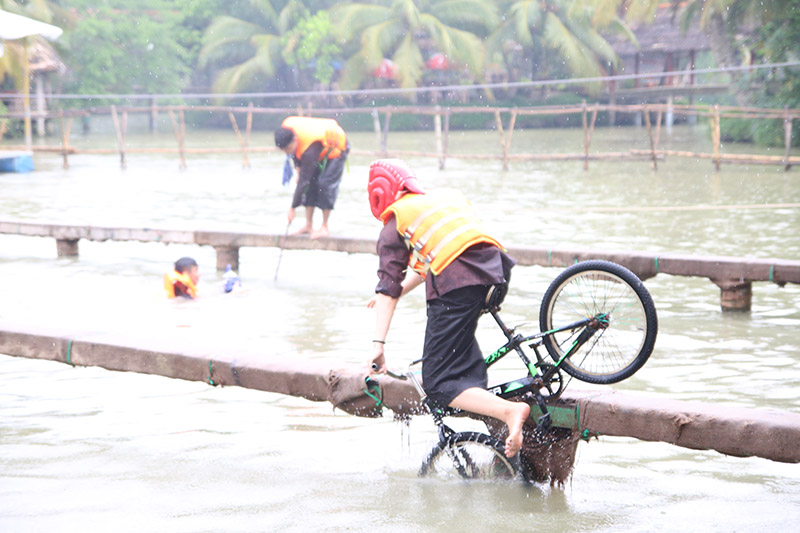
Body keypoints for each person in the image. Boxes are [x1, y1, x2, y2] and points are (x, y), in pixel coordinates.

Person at [366, 159, 530, 458]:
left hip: (458, 286)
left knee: (438, 382)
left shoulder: (396, 222)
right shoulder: (441, 198)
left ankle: (509, 411)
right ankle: (476, 386)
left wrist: (378, 346)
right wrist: (396, 293)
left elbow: (387, 288)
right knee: (454, 350)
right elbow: (437, 258)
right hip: (496, 273)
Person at [274, 116, 349, 239]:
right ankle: (308, 225)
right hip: (317, 149)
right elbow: (295, 155)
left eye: (288, 149)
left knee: (325, 184)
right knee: (310, 186)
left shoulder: (309, 149)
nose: (286, 152)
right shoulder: (287, 130)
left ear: (295, 140)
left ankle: (324, 227)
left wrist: (293, 207)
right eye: (283, 150)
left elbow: (304, 181)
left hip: (337, 149)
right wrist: (298, 167)